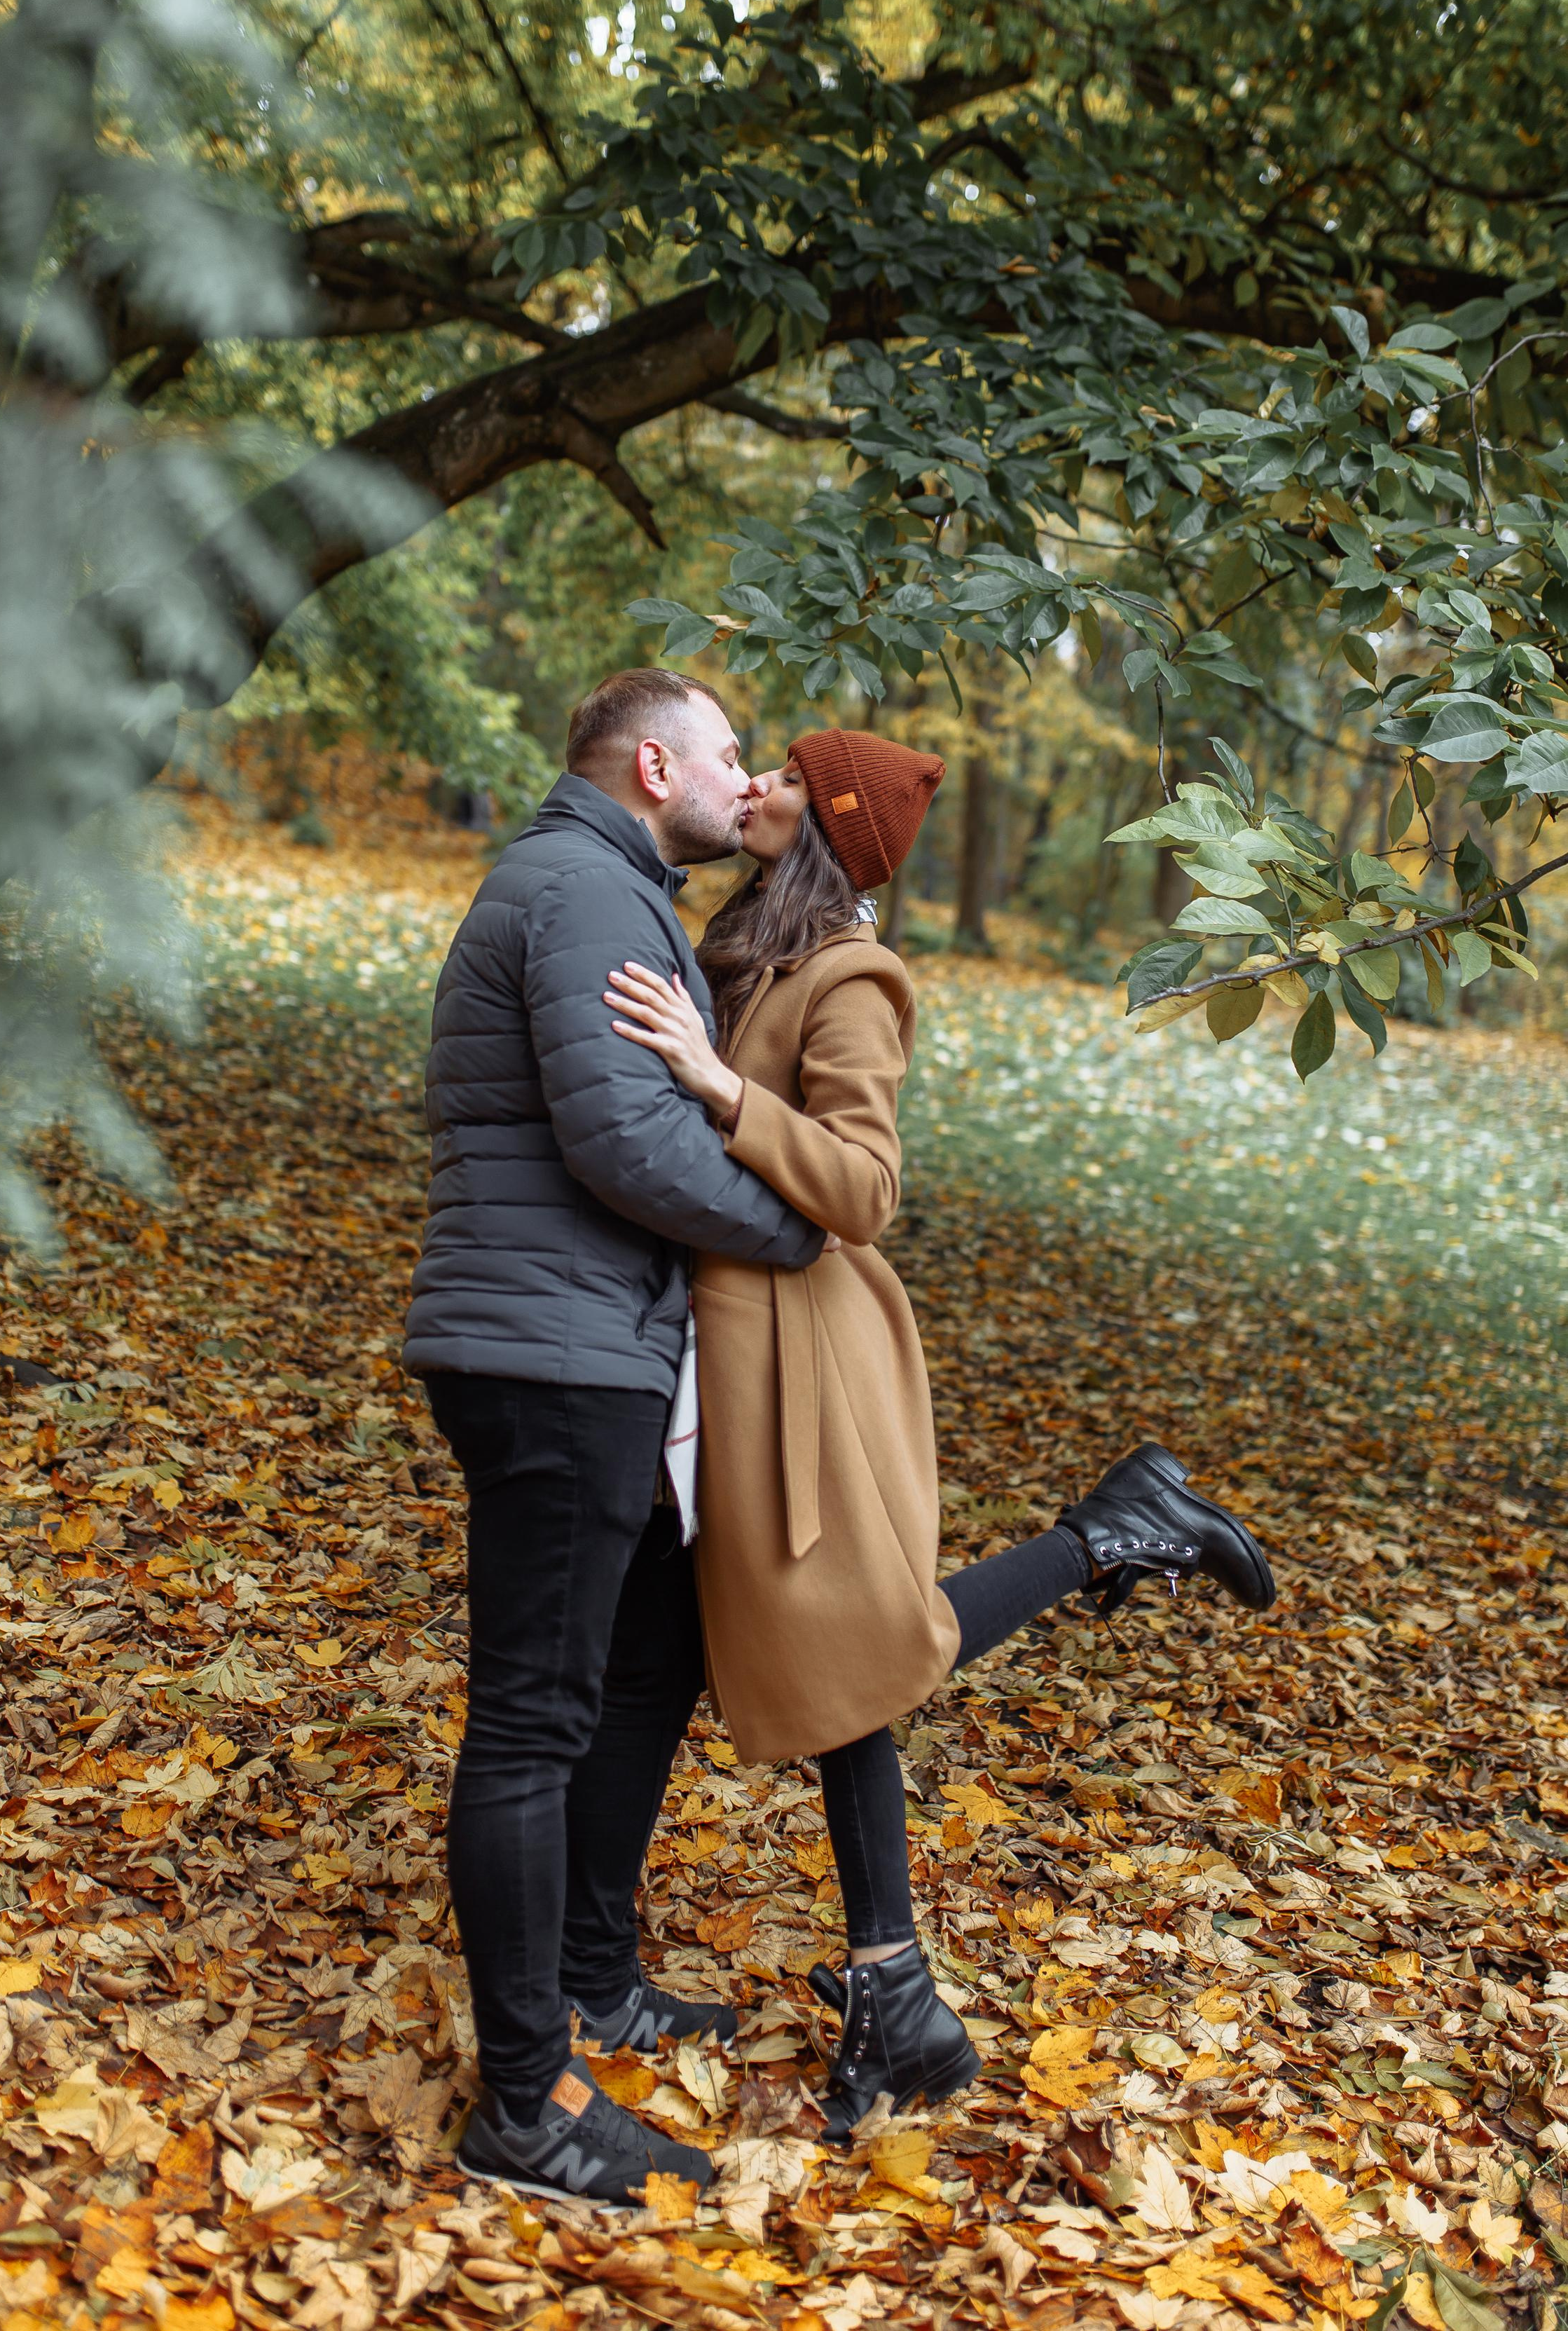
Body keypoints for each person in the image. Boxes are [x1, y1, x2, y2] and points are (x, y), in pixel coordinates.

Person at [604, 726, 1275, 2144]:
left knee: (859, 1644)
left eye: (790, 778)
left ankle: (1111, 1532)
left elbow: (864, 1185)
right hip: (723, 1344)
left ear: (832, 825)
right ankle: (878, 1996)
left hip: (803, 1354)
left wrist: (720, 1087)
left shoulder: (854, 975)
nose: (759, 785)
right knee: (799, 1654)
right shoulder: (753, 945)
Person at [402, 669, 831, 2204]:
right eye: (730, 754)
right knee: (532, 1722)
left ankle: (591, 1982)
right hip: (555, 1355)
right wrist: (795, 1228)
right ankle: (526, 2104)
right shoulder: (585, 891)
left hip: (571, 1340)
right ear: (655, 765)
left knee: (628, 1670)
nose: (746, 779)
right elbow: (624, 1139)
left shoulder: (598, 882)